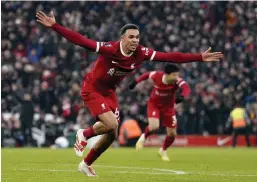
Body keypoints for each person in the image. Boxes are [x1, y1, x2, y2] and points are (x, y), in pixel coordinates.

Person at [36, 11, 223, 177]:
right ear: (122, 38)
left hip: (109, 92)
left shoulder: (141, 53)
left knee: (112, 133)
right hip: (92, 88)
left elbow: (169, 56)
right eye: (131, 37)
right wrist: (55, 26)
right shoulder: (110, 48)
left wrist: (199, 57)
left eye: (137, 37)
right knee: (111, 123)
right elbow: (82, 41)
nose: (135, 40)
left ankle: (86, 164)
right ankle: (84, 134)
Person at [128, 64, 190, 161]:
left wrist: (182, 96)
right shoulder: (157, 75)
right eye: (174, 75)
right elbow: (146, 75)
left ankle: (163, 150)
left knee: (172, 134)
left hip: (168, 108)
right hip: (154, 105)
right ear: (167, 74)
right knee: (154, 126)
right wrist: (135, 82)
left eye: (177, 75)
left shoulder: (177, 81)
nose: (176, 77)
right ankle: (144, 137)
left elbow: (186, 88)